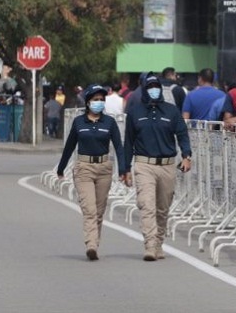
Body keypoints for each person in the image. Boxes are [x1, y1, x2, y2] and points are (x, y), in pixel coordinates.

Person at [123, 73, 192, 261]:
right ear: (144, 89)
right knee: (147, 206)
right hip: (144, 164)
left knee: (162, 208)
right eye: (150, 86)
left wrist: (186, 156)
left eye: (156, 86)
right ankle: (150, 245)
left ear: (160, 89)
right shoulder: (135, 112)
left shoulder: (171, 111)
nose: (153, 89)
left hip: (167, 166)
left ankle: (159, 241)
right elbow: (128, 142)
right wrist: (125, 169)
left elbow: (182, 135)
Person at [56, 84, 126, 260]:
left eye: (102, 100)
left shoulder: (109, 122)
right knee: (89, 209)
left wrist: (123, 169)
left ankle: (95, 241)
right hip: (84, 168)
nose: (99, 103)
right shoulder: (79, 122)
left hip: (103, 168)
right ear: (87, 102)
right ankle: (91, 244)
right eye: (95, 100)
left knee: (99, 211)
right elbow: (70, 145)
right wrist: (61, 167)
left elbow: (118, 146)